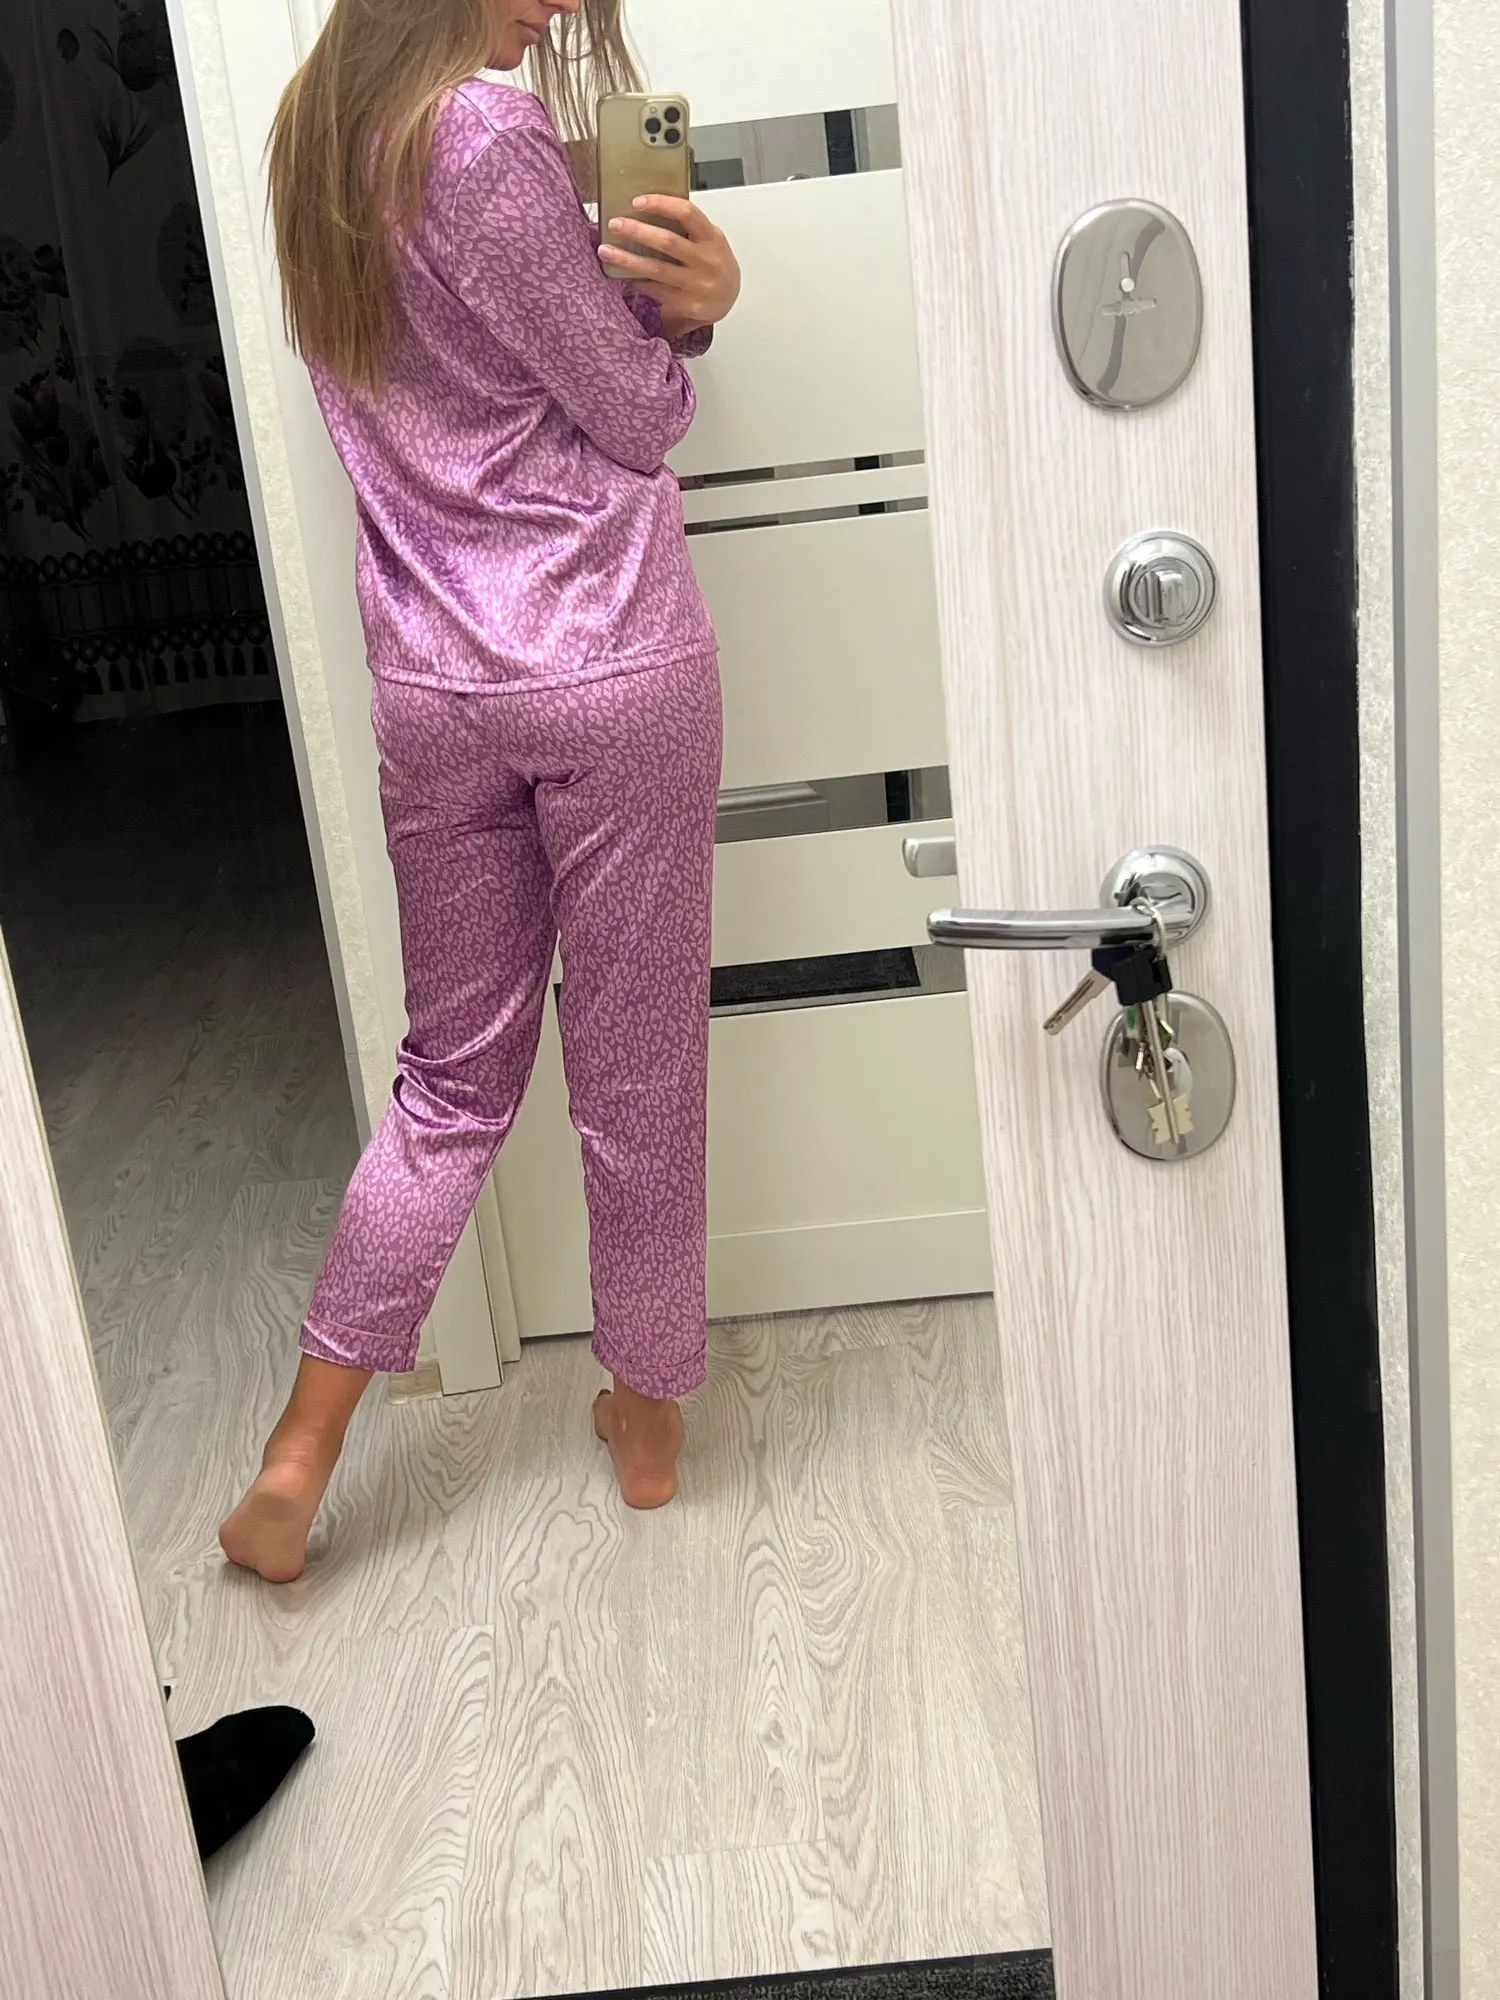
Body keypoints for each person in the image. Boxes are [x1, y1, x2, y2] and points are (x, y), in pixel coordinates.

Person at [219, 0, 740, 1583]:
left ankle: (300, 1451)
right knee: (637, 1071)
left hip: (436, 688)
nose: (558, 9)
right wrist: (697, 309)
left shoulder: (316, 133)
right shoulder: (488, 132)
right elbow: (638, 416)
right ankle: (645, 1423)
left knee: (448, 1082)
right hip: (607, 659)